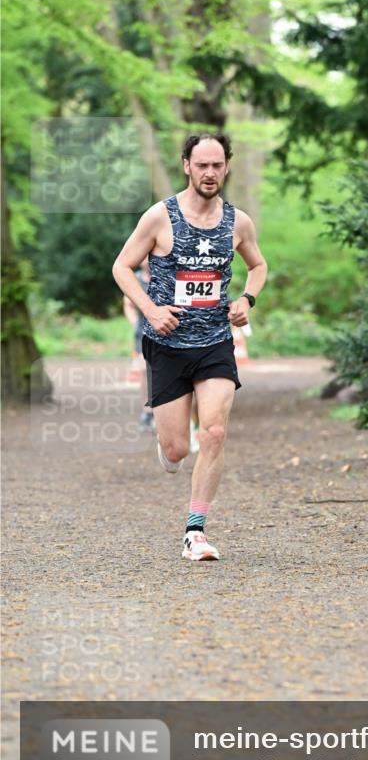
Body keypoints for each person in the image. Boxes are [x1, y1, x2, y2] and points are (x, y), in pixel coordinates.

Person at [112, 132, 268, 561]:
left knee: (214, 431)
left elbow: (258, 265)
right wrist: (150, 310)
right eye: (202, 165)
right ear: (187, 166)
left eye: (217, 165)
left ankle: (195, 532)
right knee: (177, 449)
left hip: (215, 342)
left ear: (227, 167)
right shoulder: (160, 217)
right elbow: (122, 267)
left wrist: (247, 300)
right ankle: (168, 444)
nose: (209, 173)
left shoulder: (238, 222)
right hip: (167, 345)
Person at [122, 257, 154, 431]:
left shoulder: (166, 274)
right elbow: (128, 304)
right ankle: (148, 412)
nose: (148, 261)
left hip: (168, 328)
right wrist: (135, 322)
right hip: (143, 331)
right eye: (144, 258)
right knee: (144, 370)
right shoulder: (135, 279)